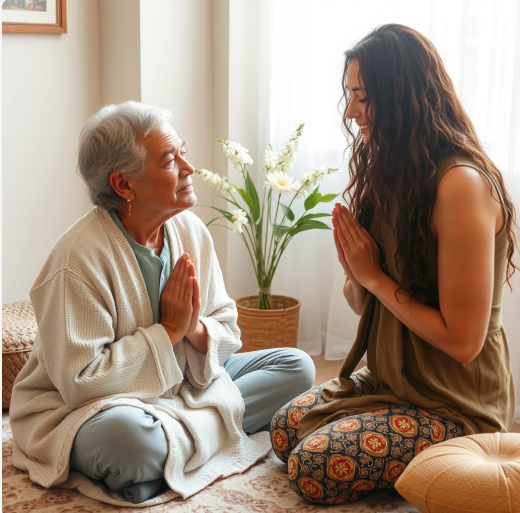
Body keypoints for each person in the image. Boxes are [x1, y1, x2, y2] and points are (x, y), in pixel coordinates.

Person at [10, 101, 315, 506]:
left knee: (297, 367)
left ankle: (174, 451)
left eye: (182, 152)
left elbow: (227, 329)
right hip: (87, 411)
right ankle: (206, 434)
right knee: (129, 444)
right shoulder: (77, 259)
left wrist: (192, 328)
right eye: (171, 160)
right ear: (124, 184)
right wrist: (167, 331)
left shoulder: (189, 229)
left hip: (185, 384)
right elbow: (81, 382)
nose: (188, 168)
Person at [270, 24, 517, 505]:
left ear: (403, 95)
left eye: (363, 98)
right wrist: (354, 270)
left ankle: (442, 458)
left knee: (312, 464)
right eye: (350, 96)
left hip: (454, 401)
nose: (351, 112)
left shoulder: (460, 185)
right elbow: (365, 305)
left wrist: (375, 278)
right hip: (392, 379)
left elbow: (463, 343)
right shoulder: (390, 169)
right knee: (284, 430)